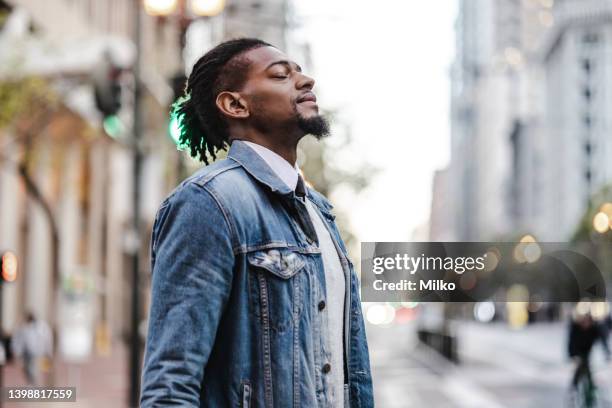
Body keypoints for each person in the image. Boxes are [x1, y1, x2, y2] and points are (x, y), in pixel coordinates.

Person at [140, 38, 373, 407]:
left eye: (300, 71)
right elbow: (172, 382)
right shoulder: (209, 202)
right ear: (235, 104)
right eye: (281, 75)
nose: (306, 80)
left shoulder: (319, 211)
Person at [568, 311, 610, 390]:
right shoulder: (575, 329)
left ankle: (590, 385)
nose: (586, 324)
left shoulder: (594, 329)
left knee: (586, 365)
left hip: (588, 349)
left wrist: (606, 352)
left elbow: (602, 340)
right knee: (581, 366)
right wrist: (573, 355)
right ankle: (574, 385)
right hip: (578, 349)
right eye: (584, 322)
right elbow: (571, 343)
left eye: (588, 322)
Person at [12, 312, 53, 385]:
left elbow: (47, 340)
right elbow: (20, 341)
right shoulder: (24, 327)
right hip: (28, 355)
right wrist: (17, 352)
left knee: (36, 373)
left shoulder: (42, 327)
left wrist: (48, 353)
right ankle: (32, 388)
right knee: (28, 373)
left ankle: (34, 389)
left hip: (38, 354)